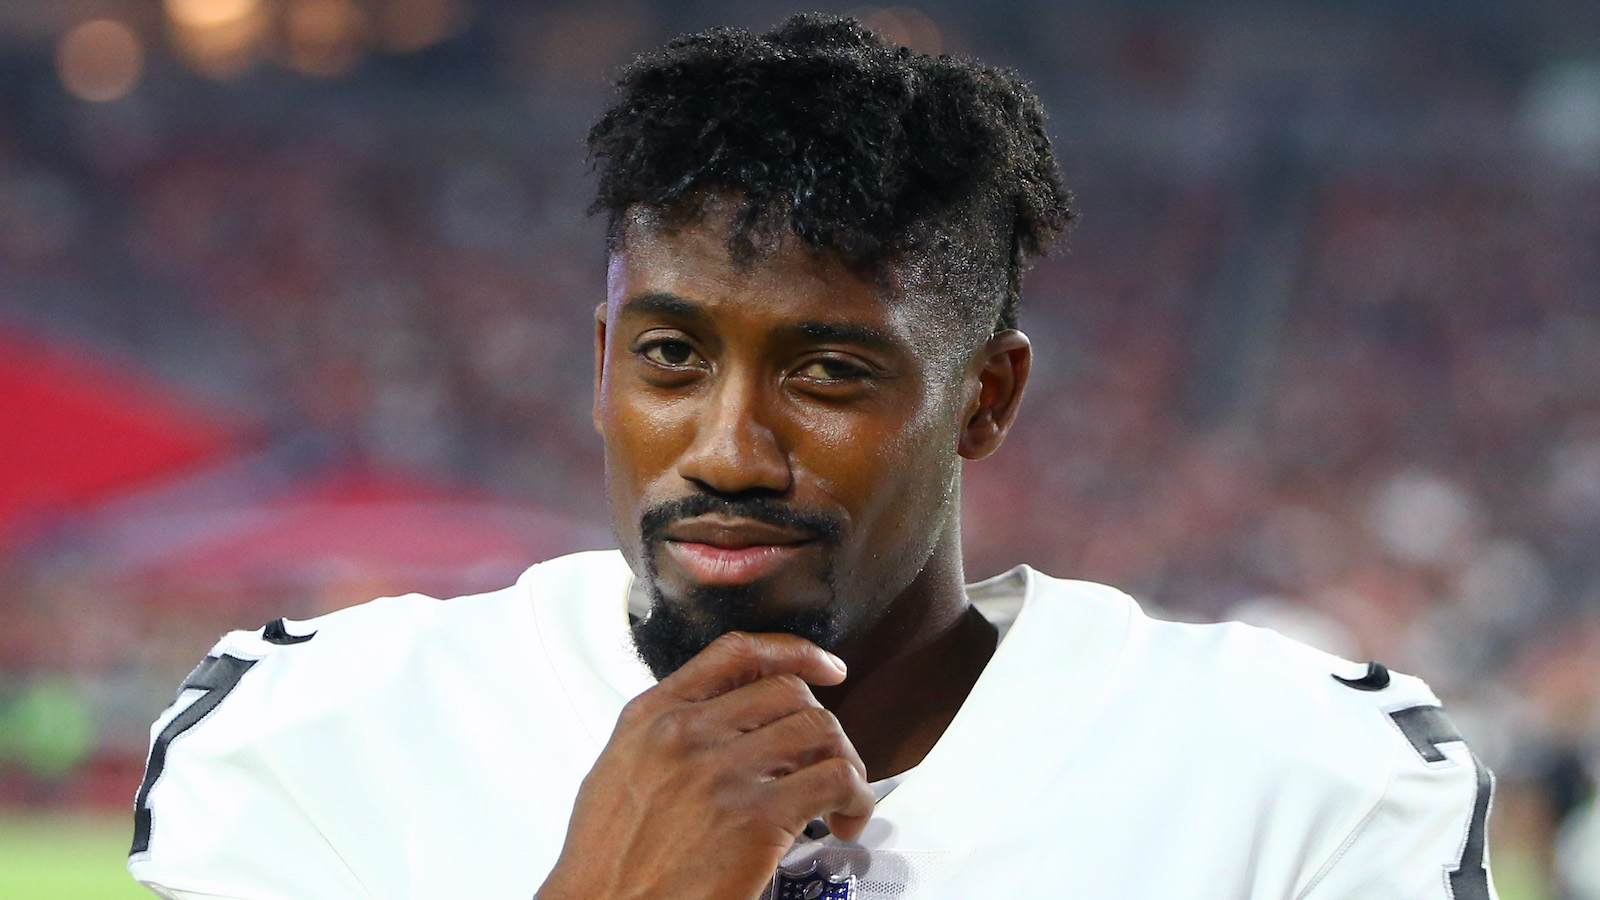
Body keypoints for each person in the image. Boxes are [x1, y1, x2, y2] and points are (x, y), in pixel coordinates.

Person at [128, 15, 1498, 900]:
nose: (728, 450)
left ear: (987, 396)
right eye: (670, 359)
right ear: (601, 360)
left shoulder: (1299, 778)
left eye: (830, 372)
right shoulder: (320, 741)